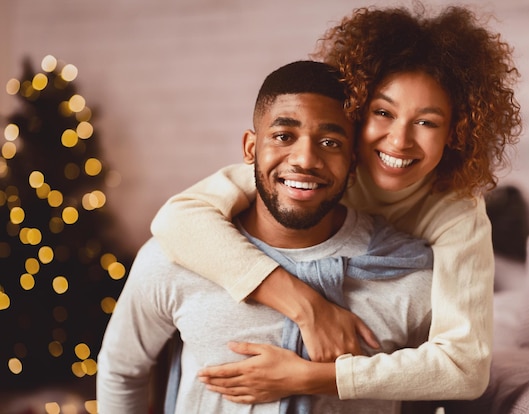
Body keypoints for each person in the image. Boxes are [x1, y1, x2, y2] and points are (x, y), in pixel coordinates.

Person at [150, 3, 522, 404]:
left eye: (427, 122)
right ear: (357, 110)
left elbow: (465, 369)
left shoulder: (457, 212)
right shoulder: (316, 170)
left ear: (456, 132)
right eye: (383, 112)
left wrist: (311, 377)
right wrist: (307, 306)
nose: (399, 140)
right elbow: (176, 219)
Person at [97, 60, 434, 414]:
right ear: (250, 148)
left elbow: (426, 396)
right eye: (284, 136)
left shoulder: (409, 276)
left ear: (352, 166)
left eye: (330, 142)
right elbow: (121, 370)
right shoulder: (174, 259)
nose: (305, 159)